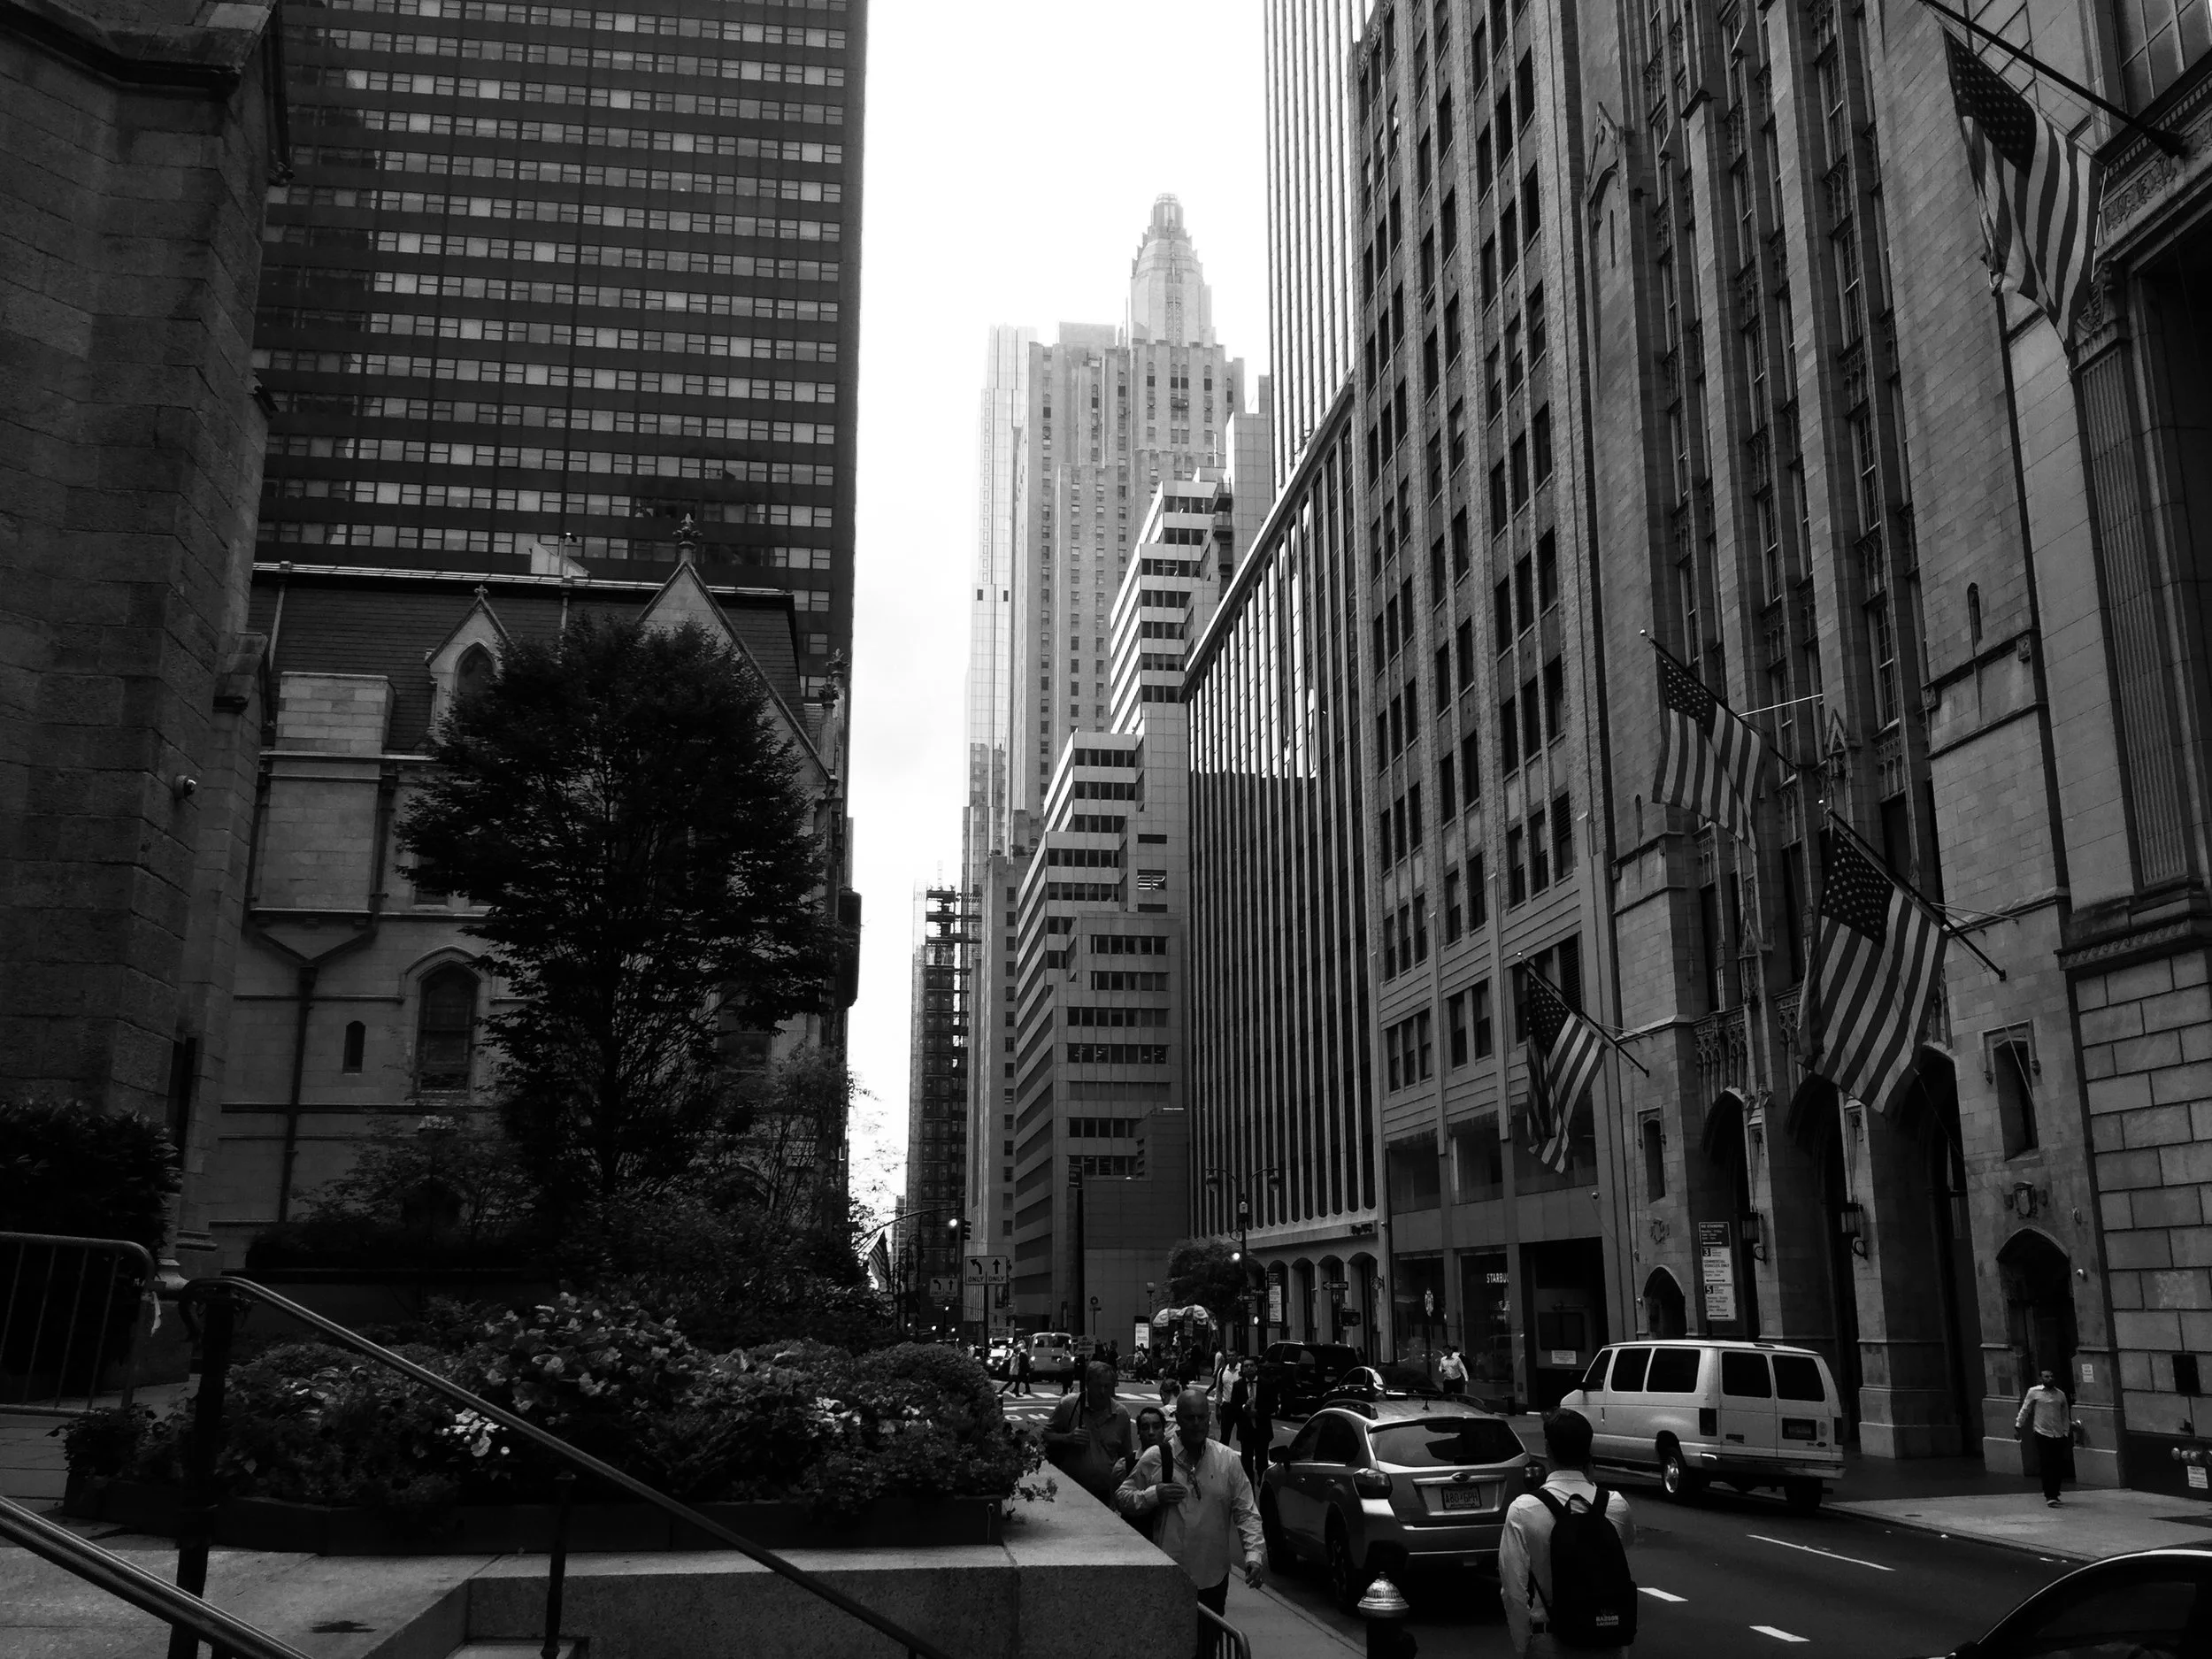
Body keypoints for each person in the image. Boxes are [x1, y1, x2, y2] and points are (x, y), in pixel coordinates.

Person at [1117, 1388, 1265, 1659]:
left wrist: (1253, 1555)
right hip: (1169, 1577)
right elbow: (1123, 1497)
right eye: (1189, 1418)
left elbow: (1246, 1511)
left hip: (1212, 1578)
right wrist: (1154, 1494)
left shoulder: (1227, 1460)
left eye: (1201, 1417)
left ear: (1209, 1419)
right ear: (1178, 1421)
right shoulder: (1156, 1457)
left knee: (1206, 1650)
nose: (1196, 1424)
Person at [1499, 1409, 1638, 1658]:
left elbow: (1513, 1591)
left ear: (1548, 1449)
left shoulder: (1524, 1510)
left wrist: (1524, 1646)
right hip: (1607, 1642)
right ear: (1588, 1450)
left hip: (1551, 1641)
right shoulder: (1615, 1505)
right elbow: (1624, 1547)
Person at [1044, 1360, 1140, 1505]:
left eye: (1107, 1386)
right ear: (1088, 1384)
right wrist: (1067, 1438)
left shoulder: (1121, 1414)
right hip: (1070, 1490)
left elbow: (1125, 1455)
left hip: (1106, 1493)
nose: (1102, 1391)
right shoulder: (1068, 1405)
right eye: (1098, 1386)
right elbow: (1046, 1435)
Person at [2016, 1367, 2078, 1507]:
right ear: (2041, 1379)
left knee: (2057, 1465)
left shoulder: (2060, 1395)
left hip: (2058, 1434)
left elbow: (2064, 1415)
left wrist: (2066, 1432)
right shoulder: (2034, 1392)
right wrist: (2018, 1425)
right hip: (2042, 1433)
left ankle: (2055, 1492)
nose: (2049, 1379)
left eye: (2051, 1376)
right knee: (2047, 1464)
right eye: (2046, 1377)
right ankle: (2049, 1495)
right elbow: (2025, 1408)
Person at [1113, 1404, 1172, 1540]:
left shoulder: (1174, 1460)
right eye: (1145, 1428)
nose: (1151, 1432)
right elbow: (1117, 1503)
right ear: (1138, 1433)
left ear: (1164, 1431)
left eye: (1156, 1427)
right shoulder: (1124, 1465)